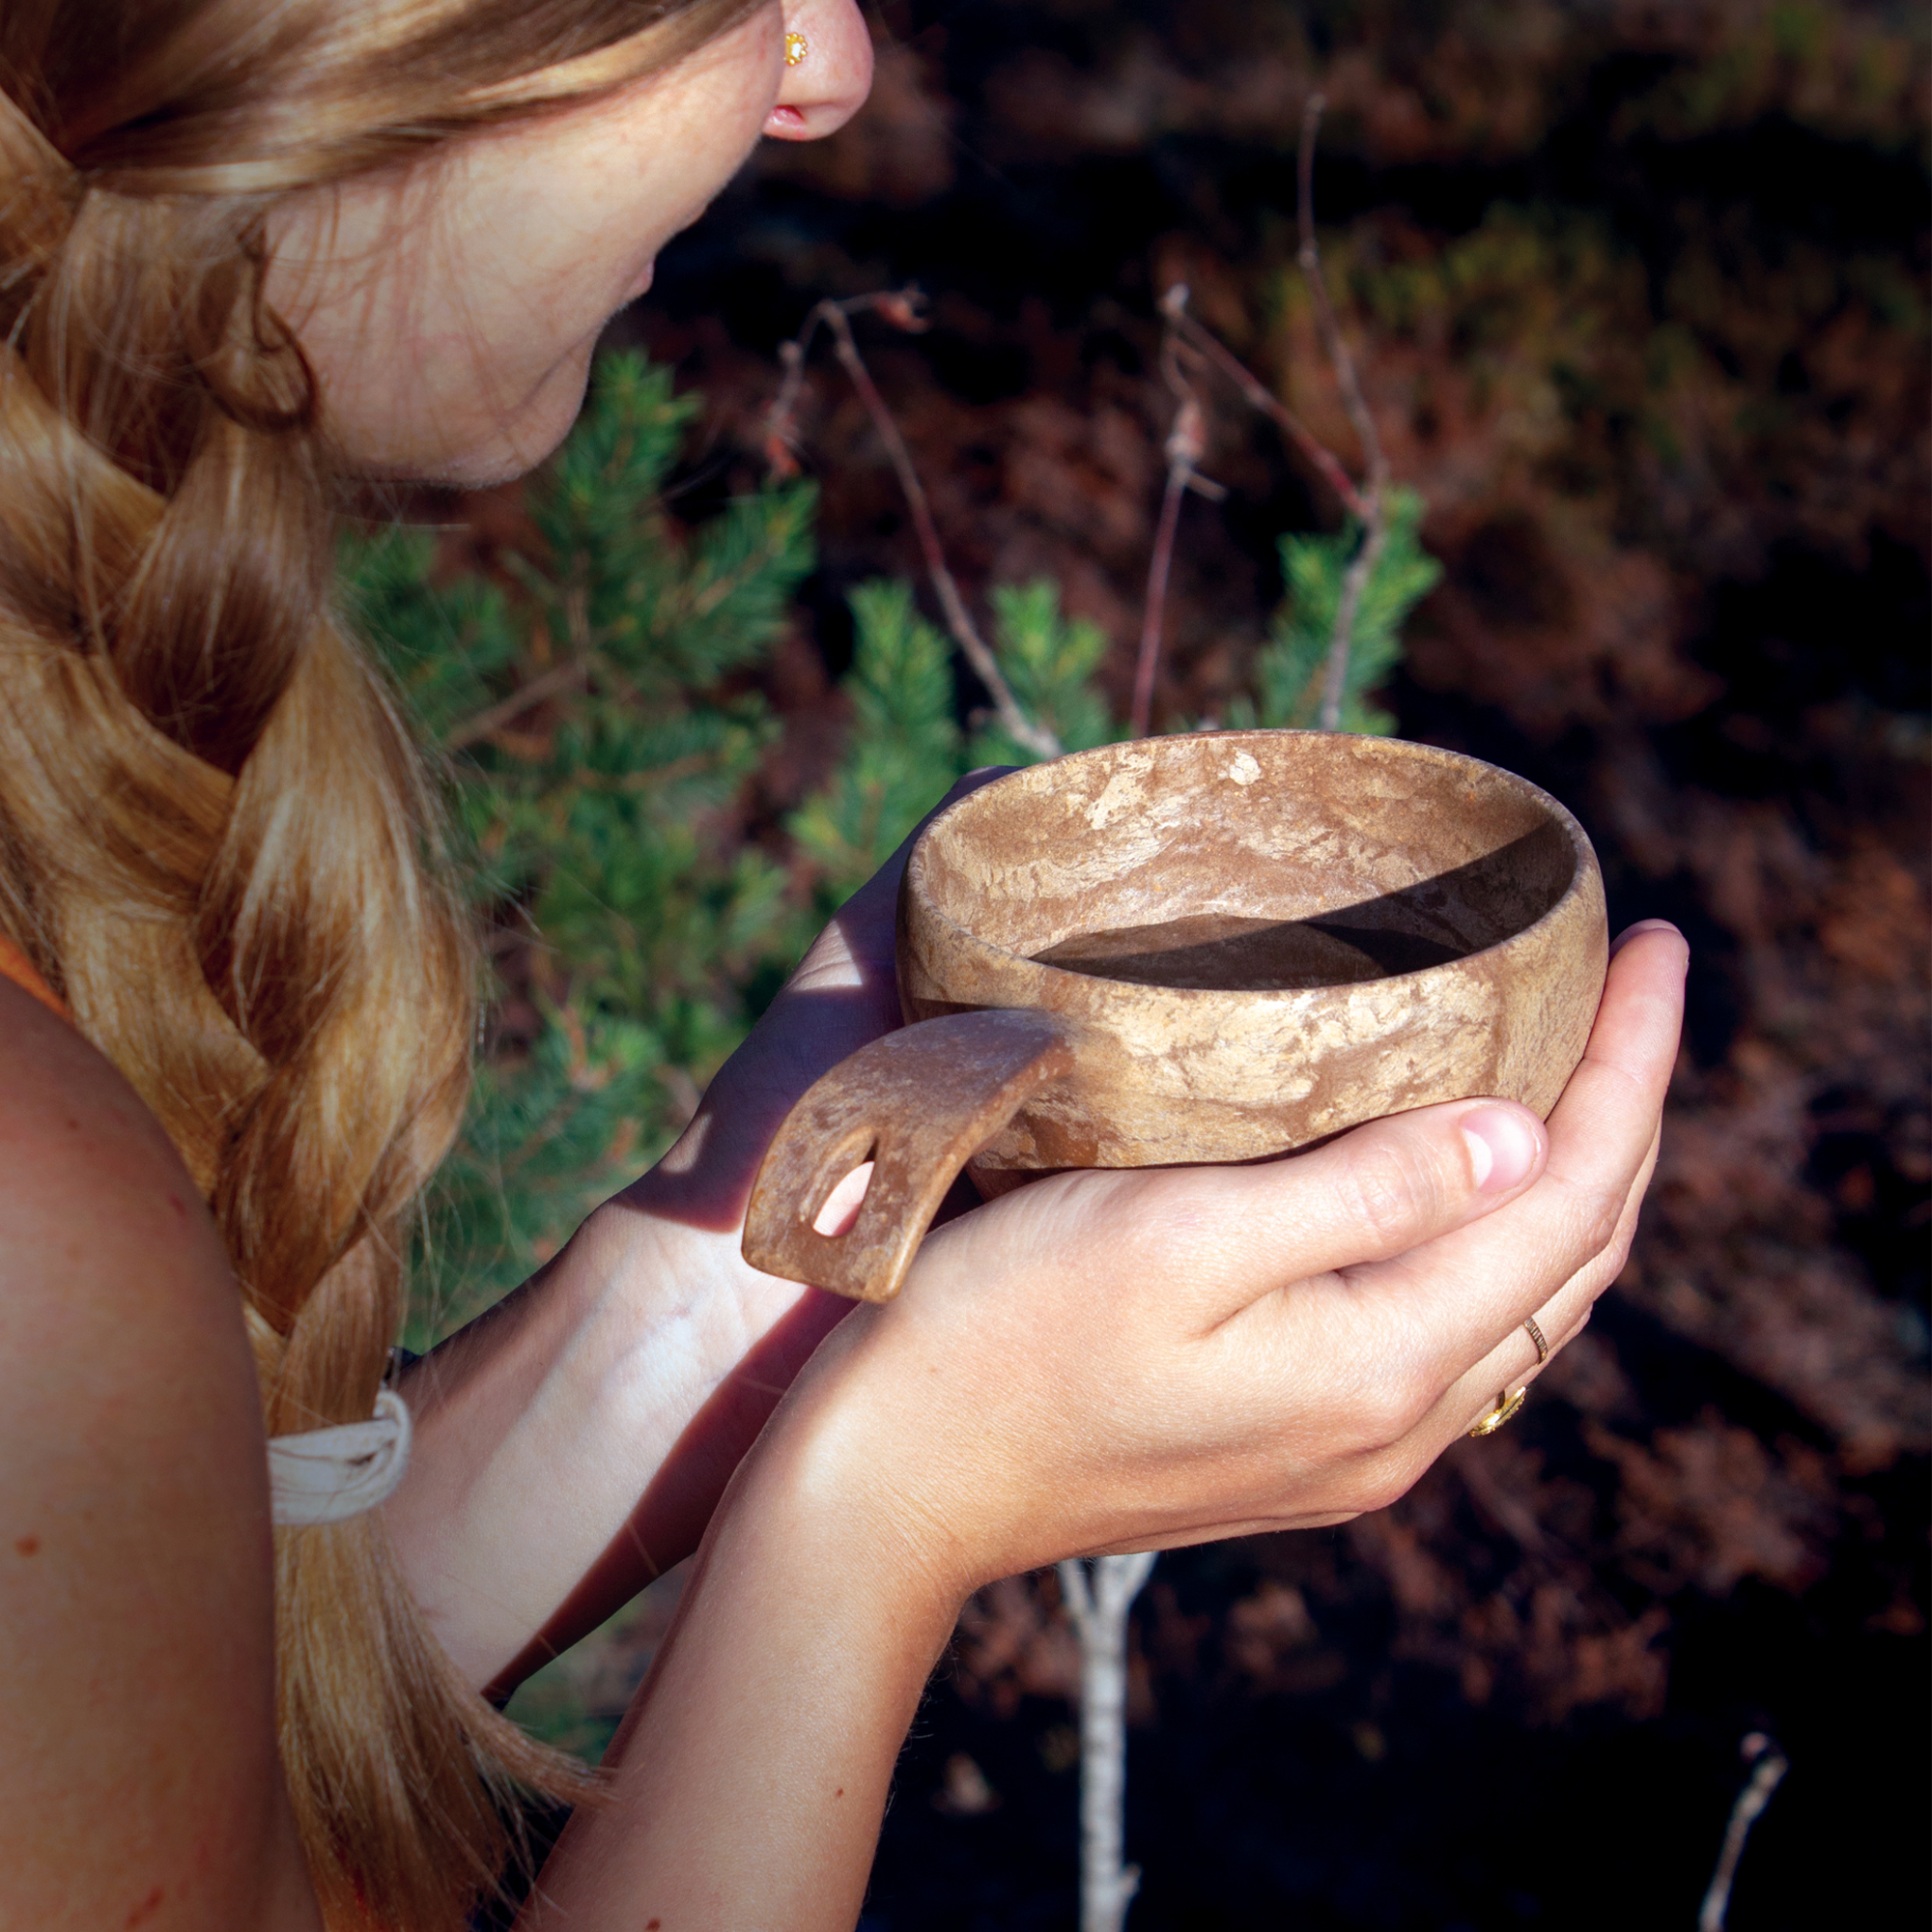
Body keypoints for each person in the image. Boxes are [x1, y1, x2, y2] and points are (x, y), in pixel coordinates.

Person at [0, 2, 1687, 1926]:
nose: (831, 71)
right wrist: (892, 1505)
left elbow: (147, 1732)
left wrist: (714, 1297)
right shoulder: (32, 1209)